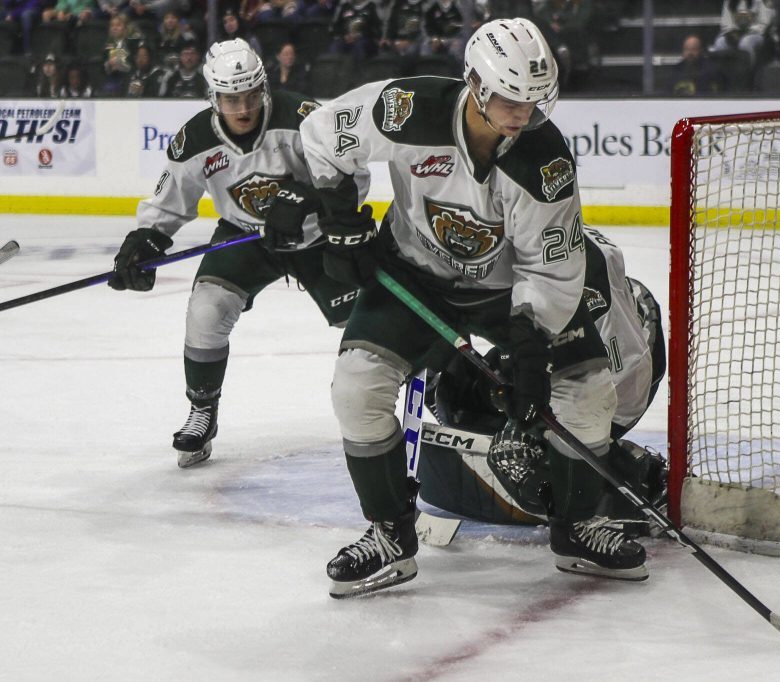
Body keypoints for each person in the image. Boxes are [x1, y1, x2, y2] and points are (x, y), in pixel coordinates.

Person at [298, 16, 647, 599]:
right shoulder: (408, 110)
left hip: (504, 294)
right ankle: (390, 535)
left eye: (534, 102)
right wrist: (341, 220)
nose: (521, 114)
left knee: (586, 388)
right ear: (475, 84)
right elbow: (321, 131)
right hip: (413, 278)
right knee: (357, 388)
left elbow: (552, 266)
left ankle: (580, 527)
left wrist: (531, 346)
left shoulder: (545, 159)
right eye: (509, 98)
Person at [107, 39, 360, 468]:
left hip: (316, 239)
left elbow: (352, 178)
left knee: (364, 320)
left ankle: (429, 388)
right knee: (206, 311)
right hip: (244, 237)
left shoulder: (304, 118)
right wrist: (144, 241)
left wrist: (307, 200)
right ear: (213, 97)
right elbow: (168, 203)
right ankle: (203, 409)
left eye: (249, 96)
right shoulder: (196, 139)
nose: (242, 109)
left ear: (263, 88)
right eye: (230, 99)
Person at [418, 227, 667, 532]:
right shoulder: (523, 232)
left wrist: (541, 424)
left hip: (619, 371)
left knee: (517, 454)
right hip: (576, 335)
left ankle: (635, 483)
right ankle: (572, 461)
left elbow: (604, 367)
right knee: (454, 395)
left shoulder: (562, 263)